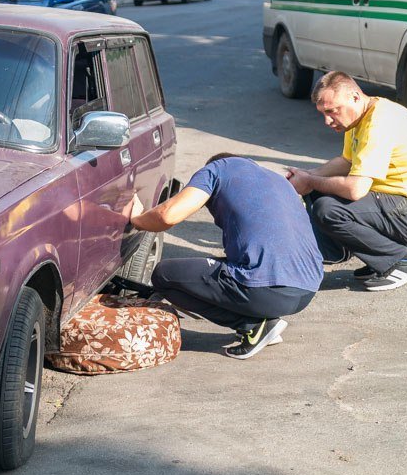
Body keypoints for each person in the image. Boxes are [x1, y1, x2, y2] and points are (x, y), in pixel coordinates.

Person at [129, 153, 322, 359]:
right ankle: (262, 319)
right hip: (307, 290)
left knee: (164, 275)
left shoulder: (216, 170)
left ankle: (253, 325)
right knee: (222, 269)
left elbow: (167, 215)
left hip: (265, 291)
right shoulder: (278, 181)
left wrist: (137, 219)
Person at [286, 72, 407, 291]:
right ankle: (335, 252)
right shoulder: (360, 117)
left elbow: (355, 189)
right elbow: (346, 161)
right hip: (400, 204)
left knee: (328, 209)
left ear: (355, 97)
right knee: (318, 190)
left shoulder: (379, 123)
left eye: (332, 111)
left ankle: (403, 261)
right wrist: (307, 175)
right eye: (322, 113)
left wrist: (311, 181)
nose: (327, 120)